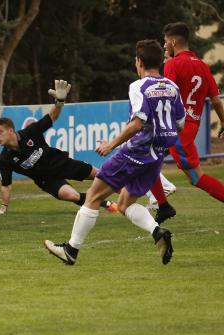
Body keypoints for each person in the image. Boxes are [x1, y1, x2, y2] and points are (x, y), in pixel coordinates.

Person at [45, 40, 185, 266]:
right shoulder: (172, 87)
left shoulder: (138, 86)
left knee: (93, 196)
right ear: (160, 62)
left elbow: (137, 123)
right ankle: (157, 231)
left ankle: (71, 250)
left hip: (136, 152)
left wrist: (111, 145)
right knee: (124, 203)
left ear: (139, 62)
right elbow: (180, 124)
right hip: (157, 155)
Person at [0, 80, 116, 215]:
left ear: (10, 131)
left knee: (102, 175)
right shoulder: (5, 159)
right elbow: (6, 185)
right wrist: (3, 207)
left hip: (61, 163)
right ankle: (106, 203)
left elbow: (52, 117)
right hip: (46, 180)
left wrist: (60, 101)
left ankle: (130, 194)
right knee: (72, 196)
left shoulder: (30, 132)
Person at [148, 22, 224, 223]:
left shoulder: (172, 64)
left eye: (165, 41)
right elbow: (216, 100)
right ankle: (162, 205)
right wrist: (223, 123)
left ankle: (162, 204)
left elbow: (167, 94)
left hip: (176, 130)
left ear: (173, 42)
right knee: (146, 159)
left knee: (196, 177)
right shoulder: (202, 66)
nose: (164, 45)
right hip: (189, 129)